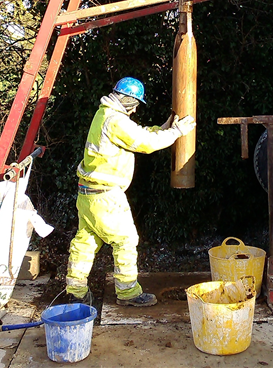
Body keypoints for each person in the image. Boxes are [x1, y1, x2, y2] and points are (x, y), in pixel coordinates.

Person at [65, 76, 196, 307]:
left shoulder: (104, 114)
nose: (135, 110)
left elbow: (137, 134)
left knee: (85, 241)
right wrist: (177, 132)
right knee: (125, 241)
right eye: (135, 105)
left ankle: (74, 291)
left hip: (87, 193)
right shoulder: (115, 120)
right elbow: (144, 143)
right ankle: (128, 294)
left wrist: (165, 128)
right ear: (127, 100)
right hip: (106, 196)